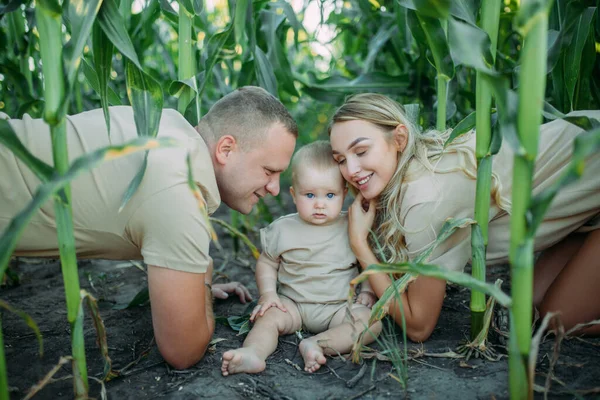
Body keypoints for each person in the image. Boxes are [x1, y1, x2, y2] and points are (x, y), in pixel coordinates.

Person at [0, 86, 298, 368]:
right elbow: (183, 351)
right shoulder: (181, 188)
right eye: (269, 171)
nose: (274, 188)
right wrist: (203, 281)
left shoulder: (164, 124)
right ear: (226, 149)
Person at [328, 93, 600, 342]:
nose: (351, 170)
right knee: (531, 307)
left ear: (399, 139)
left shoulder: (425, 198)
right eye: (340, 159)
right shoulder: (415, 171)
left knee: (558, 321)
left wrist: (359, 244)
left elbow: (418, 326)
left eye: (361, 151)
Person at [220, 140, 381, 376]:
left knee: (371, 322)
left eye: (329, 195)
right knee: (267, 317)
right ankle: (253, 353)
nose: (319, 204)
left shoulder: (352, 226)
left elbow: (365, 260)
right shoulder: (283, 229)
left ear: (344, 193)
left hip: (339, 307)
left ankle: (318, 344)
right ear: (294, 195)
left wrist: (367, 290)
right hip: (293, 305)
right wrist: (268, 295)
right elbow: (267, 262)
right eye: (309, 195)